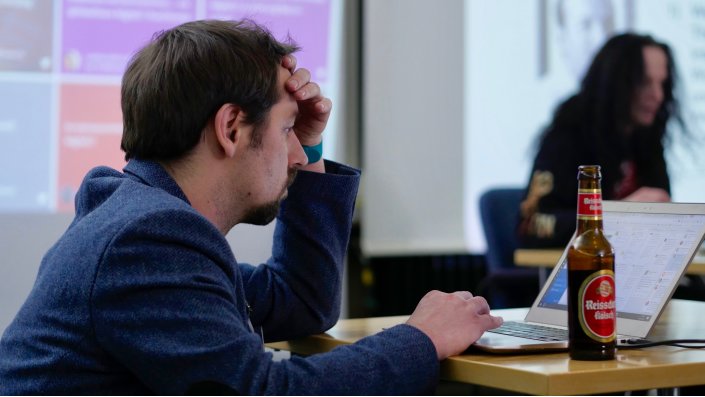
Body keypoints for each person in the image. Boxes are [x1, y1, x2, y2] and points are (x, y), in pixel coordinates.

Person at [0, 20, 502, 395]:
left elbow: (301, 303)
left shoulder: (142, 223)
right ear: (232, 128)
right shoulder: (146, 240)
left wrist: (312, 148)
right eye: (288, 131)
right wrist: (421, 338)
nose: (298, 154)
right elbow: (262, 392)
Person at [519, 32, 688, 248]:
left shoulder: (647, 140)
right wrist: (617, 216)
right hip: (577, 276)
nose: (658, 95)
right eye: (645, 83)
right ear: (617, 84)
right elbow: (530, 224)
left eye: (662, 84)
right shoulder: (567, 137)